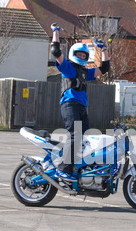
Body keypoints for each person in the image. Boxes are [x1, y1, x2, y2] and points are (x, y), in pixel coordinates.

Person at [50, 22, 110, 182]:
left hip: (82, 108)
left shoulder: (86, 72)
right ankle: (63, 170)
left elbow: (104, 68)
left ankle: (79, 167)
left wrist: (103, 49)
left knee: (86, 139)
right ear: (73, 53)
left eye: (85, 55)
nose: (82, 57)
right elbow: (55, 51)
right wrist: (55, 31)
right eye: (80, 54)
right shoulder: (68, 67)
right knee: (75, 135)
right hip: (69, 105)